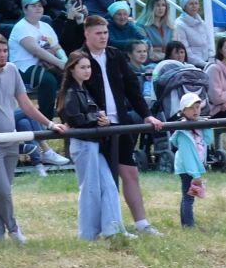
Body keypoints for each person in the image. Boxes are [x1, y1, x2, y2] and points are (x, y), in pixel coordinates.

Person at [83, 14, 165, 235]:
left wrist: (146, 115)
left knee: (130, 173)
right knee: (101, 180)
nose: (103, 37)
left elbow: (131, 87)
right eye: (98, 33)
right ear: (87, 33)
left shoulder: (116, 55)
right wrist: (92, 116)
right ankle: (103, 226)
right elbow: (76, 92)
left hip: (120, 124)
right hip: (95, 128)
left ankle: (141, 223)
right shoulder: (79, 58)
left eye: (106, 32)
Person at [53, 50, 127, 241]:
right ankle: (88, 234)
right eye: (83, 67)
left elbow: (81, 117)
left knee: (109, 185)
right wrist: (97, 118)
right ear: (72, 69)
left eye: (89, 67)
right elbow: (73, 118)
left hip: (92, 144)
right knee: (90, 190)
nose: (87, 71)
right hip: (83, 144)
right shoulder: (70, 92)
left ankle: (113, 228)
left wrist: (100, 119)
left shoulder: (82, 90)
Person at [10, 0, 67, 114]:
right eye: (34, 6)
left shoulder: (45, 26)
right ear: (25, 9)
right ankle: (47, 119)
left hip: (44, 64)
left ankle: (68, 115)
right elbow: (35, 50)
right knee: (48, 81)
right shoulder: (21, 27)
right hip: (23, 67)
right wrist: (59, 63)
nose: (38, 8)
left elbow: (56, 47)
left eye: (40, 6)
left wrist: (65, 60)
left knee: (70, 77)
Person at [171, 91, 207, 228]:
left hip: (193, 168)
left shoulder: (197, 126)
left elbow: (207, 140)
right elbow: (187, 157)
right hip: (188, 169)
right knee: (189, 197)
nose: (195, 110)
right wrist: (195, 175)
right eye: (191, 108)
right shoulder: (183, 132)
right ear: (183, 110)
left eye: (197, 107)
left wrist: (207, 126)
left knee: (187, 196)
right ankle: (188, 225)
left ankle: (186, 223)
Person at [173, 0, 213, 68]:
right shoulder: (179, 25)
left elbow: (209, 45)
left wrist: (211, 60)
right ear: (184, 6)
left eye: (196, 3)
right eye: (191, 4)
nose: (194, 6)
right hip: (192, 65)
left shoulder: (202, 23)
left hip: (207, 63)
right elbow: (186, 51)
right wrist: (204, 64)